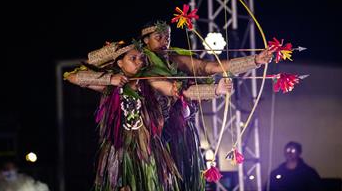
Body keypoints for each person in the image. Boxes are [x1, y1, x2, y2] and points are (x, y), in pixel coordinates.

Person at [87, 21, 274, 190]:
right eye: (158, 37)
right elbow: (82, 72)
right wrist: (112, 72)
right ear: (144, 41)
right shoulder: (138, 63)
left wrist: (255, 61)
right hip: (147, 134)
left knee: (180, 179)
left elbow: (209, 68)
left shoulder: (173, 58)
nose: (164, 41)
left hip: (179, 129)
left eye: (167, 37)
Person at [64, 41, 233, 191]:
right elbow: (73, 77)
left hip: (150, 150)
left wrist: (215, 90)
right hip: (120, 151)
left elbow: (181, 91)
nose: (140, 62)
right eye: (133, 58)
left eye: (142, 58)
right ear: (120, 63)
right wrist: (110, 79)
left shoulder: (150, 82)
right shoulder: (111, 85)